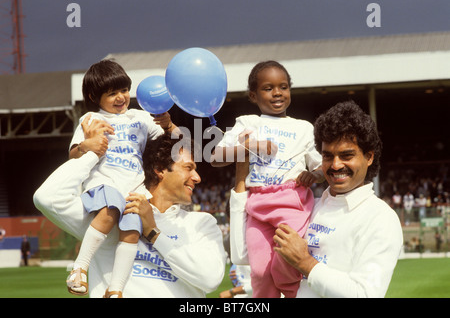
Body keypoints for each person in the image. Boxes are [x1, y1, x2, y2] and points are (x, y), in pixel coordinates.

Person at [34, 132, 226, 297]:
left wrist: (153, 232)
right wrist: (92, 154)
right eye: (188, 168)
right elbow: (47, 197)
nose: (197, 178)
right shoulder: (111, 216)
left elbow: (209, 279)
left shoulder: (201, 223)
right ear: (159, 170)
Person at [63, 59, 178, 296]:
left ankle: (115, 290)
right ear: (95, 96)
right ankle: (79, 268)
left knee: (132, 232)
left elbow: (173, 140)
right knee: (109, 211)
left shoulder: (140, 117)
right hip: (103, 183)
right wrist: (87, 144)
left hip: (133, 187)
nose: (120, 97)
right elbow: (72, 154)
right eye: (112, 93)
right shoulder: (90, 120)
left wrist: (169, 125)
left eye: (124, 90)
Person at [211, 61, 324, 298]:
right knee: (261, 273)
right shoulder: (247, 123)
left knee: (286, 259)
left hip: (291, 201)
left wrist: (313, 175)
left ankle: (291, 292)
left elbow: (321, 166)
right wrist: (252, 146)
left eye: (283, 87)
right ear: (253, 95)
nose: (277, 93)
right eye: (268, 88)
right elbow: (215, 157)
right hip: (258, 205)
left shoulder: (303, 128)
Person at [271, 100, 404, 297]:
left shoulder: (381, 218)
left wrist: (305, 263)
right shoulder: (309, 206)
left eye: (346, 155)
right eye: (327, 156)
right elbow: (246, 257)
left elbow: (365, 294)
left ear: (368, 157)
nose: (335, 165)